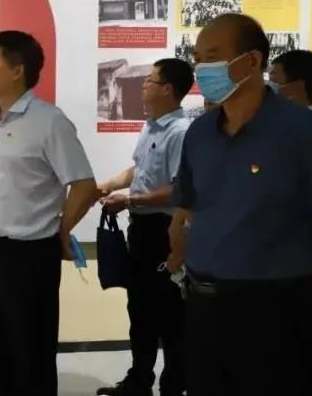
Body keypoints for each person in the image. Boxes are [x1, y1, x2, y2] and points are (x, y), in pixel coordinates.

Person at [167, 13, 312, 395]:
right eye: (197, 59)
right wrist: (180, 254)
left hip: (278, 311)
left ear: (252, 61)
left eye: (212, 56)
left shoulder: (304, 131)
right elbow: (186, 209)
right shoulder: (201, 132)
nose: (201, 69)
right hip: (205, 306)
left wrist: (292, 274)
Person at [0, 30, 99, 395]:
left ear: (17, 70)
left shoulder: (50, 122)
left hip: (28, 256)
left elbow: (84, 186)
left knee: (29, 349)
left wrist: (61, 231)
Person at [96, 58, 194, 396]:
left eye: (149, 80)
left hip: (165, 231)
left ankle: (173, 385)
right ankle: (139, 379)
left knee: (169, 312)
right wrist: (110, 184)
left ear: (167, 89)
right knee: (139, 309)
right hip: (141, 230)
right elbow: (140, 169)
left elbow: (178, 190)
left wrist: (129, 201)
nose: (143, 85)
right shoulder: (151, 125)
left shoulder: (180, 132)